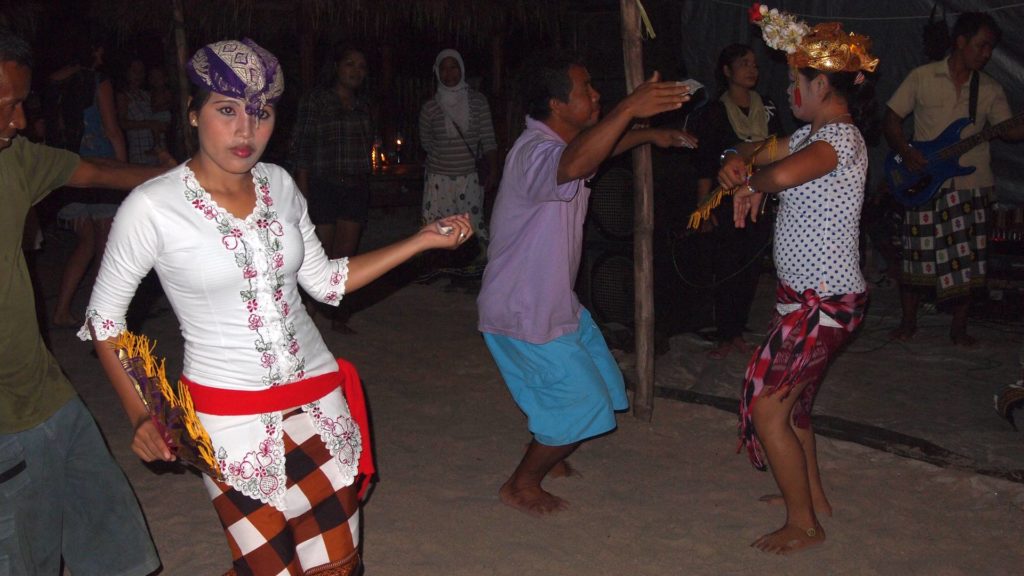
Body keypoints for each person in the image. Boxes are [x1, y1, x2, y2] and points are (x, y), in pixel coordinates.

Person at [80, 39, 472, 575]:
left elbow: (327, 282)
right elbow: (105, 320)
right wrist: (143, 412)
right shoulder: (152, 207)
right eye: (227, 110)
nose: (246, 129)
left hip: (319, 400)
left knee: (335, 564)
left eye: (260, 112)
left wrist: (420, 241)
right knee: (269, 568)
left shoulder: (281, 185)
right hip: (227, 420)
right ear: (193, 114)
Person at [477, 50, 696, 517]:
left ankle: (553, 442)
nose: (596, 95)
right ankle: (521, 483)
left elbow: (592, 148)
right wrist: (629, 110)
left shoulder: (560, 143)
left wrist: (647, 134)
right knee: (583, 402)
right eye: (585, 90)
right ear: (557, 104)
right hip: (523, 310)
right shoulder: (536, 153)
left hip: (553, 302)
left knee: (603, 386)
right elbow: (575, 164)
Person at [0, 27, 173, 576]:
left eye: (22, 103)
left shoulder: (16, 160)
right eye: (6, 105)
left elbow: (95, 171)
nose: (20, 120)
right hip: (5, 429)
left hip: (53, 398)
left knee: (121, 557)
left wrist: (173, 179)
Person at [719, 10, 878, 554]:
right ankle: (813, 499)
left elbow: (782, 173)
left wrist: (757, 185)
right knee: (796, 407)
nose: (788, 90)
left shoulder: (841, 139)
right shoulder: (812, 133)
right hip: (803, 301)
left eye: (796, 82)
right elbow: (758, 153)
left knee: (769, 410)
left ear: (823, 85)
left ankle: (805, 524)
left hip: (825, 305)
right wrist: (733, 165)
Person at [884, 12, 1024, 347]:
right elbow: (891, 118)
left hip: (971, 185)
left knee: (967, 262)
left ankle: (959, 329)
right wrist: (906, 151)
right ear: (960, 42)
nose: (987, 53)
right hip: (924, 180)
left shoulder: (989, 88)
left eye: (990, 48)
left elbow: (1010, 131)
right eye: (982, 45)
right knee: (916, 256)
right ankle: (908, 323)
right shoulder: (922, 76)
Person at [692, 43, 781, 359]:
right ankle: (725, 334)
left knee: (751, 267)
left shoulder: (768, 106)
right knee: (726, 266)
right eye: (743, 64)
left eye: (755, 64)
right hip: (727, 200)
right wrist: (703, 207)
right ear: (727, 71)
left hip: (762, 196)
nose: (751, 69)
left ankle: (738, 331)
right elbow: (706, 162)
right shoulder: (714, 112)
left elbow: (780, 151)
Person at [291, 43, 375, 333]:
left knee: (345, 256)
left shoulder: (363, 105)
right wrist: (302, 186)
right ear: (337, 66)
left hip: (355, 186)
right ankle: (309, 314)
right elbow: (302, 144)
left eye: (361, 67)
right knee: (319, 254)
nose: (356, 71)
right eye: (350, 63)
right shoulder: (316, 100)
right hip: (323, 184)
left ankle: (337, 314)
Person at [49, 38, 128, 327]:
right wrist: (123, 172)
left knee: (86, 242)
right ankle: (100, 316)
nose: (102, 50)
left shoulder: (53, 82)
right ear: (91, 49)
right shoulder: (97, 81)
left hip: (65, 168)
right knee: (103, 244)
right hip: (100, 169)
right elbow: (112, 129)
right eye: (99, 45)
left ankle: (62, 310)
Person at [418, 48, 498, 274]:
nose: (448, 72)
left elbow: (488, 138)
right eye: (443, 68)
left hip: (469, 177)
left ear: (461, 70)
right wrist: (444, 158)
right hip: (438, 178)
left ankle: (471, 265)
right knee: (440, 224)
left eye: (453, 67)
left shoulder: (478, 102)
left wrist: (493, 170)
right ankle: (442, 266)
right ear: (437, 72)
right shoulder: (430, 107)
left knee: (471, 222)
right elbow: (426, 141)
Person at [117, 58, 166, 166]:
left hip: (158, 152)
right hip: (140, 153)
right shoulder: (123, 96)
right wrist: (148, 124)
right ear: (127, 73)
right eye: (134, 71)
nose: (138, 75)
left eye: (141, 71)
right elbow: (122, 123)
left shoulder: (147, 95)